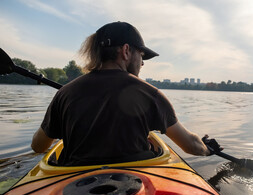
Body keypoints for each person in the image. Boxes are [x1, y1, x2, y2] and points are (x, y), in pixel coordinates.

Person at [31, 21, 212, 166]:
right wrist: (206, 149)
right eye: (141, 55)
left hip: (73, 188)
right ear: (126, 51)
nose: (142, 63)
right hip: (136, 186)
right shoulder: (150, 94)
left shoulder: (65, 93)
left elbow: (38, 146)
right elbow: (190, 145)